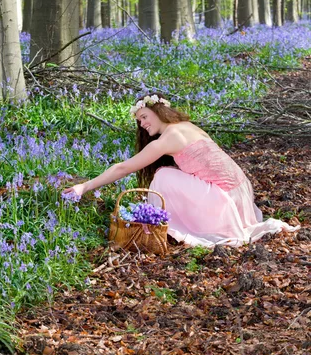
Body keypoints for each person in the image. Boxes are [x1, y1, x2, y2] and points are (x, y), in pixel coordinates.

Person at [63, 94, 299, 247]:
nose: (143, 124)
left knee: (163, 175)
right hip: (239, 192)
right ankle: (158, 222)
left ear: (159, 111)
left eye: (144, 117)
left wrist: (85, 186)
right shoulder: (185, 126)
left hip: (224, 200)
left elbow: (123, 168)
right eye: (139, 122)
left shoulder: (169, 137)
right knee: (170, 174)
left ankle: (158, 227)